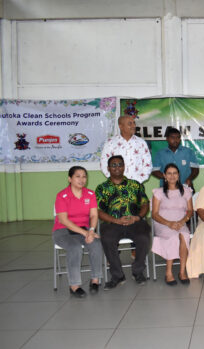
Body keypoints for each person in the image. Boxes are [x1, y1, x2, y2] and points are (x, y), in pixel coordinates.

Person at [96, 155, 151, 289]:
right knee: (107, 238)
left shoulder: (135, 185)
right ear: (108, 168)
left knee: (143, 237)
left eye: (120, 164)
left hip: (135, 221)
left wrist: (137, 217)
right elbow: (98, 211)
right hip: (112, 223)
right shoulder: (101, 188)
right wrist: (115, 220)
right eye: (113, 165)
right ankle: (117, 275)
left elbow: (145, 204)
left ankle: (138, 271)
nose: (117, 167)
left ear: (124, 167)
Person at [53, 166, 103, 298]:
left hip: (84, 229)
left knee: (96, 244)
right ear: (70, 179)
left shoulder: (90, 194)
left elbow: (93, 216)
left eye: (84, 176)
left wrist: (91, 231)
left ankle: (95, 280)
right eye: (78, 176)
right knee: (75, 248)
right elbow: (63, 220)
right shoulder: (62, 195)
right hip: (63, 231)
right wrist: (86, 233)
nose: (82, 179)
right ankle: (74, 286)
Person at [151, 163, 194, 286]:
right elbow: (154, 214)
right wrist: (169, 223)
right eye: (169, 173)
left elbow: (190, 211)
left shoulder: (186, 191)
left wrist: (182, 221)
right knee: (173, 237)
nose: (172, 176)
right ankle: (168, 272)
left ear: (179, 175)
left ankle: (182, 272)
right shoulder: (158, 192)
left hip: (180, 221)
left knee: (184, 235)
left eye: (175, 173)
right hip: (162, 222)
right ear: (164, 176)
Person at [100, 115, 152, 183]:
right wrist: (116, 180)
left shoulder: (141, 143)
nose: (134, 126)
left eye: (134, 123)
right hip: (116, 186)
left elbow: (148, 164)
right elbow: (104, 164)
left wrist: (137, 181)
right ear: (120, 126)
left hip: (136, 185)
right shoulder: (110, 143)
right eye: (130, 123)